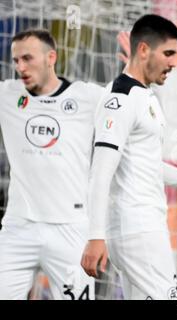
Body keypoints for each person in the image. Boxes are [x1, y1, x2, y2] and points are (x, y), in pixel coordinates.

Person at [80, 14, 177, 300]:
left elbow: (148, 167)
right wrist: (95, 236)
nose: (174, 62)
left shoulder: (143, 95)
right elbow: (100, 171)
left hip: (142, 228)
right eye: (168, 53)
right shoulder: (121, 99)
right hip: (137, 230)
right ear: (143, 51)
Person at [0, 29, 103, 299]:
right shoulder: (7, 96)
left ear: (51, 58)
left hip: (70, 230)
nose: (20, 67)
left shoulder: (88, 97)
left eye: (27, 58)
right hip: (18, 229)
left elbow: (127, 106)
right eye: (15, 60)